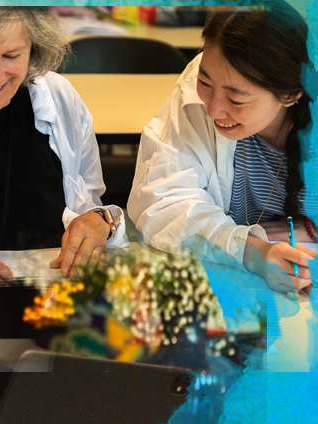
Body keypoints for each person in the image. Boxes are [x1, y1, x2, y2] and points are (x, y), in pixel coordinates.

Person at [0, 7, 128, 286]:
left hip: (51, 301)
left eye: (11, 56)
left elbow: (88, 207)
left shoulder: (61, 99)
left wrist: (99, 222)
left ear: (33, 48)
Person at [128, 6, 314, 293]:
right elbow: (163, 200)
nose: (213, 110)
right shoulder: (209, 77)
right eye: (205, 83)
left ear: (289, 94)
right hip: (226, 285)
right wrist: (252, 252)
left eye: (236, 100)